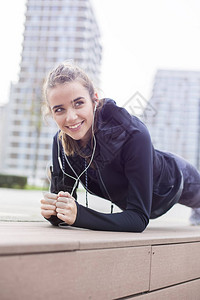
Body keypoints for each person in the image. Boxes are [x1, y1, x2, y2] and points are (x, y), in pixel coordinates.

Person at [40, 62, 200, 232]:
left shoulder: (134, 134)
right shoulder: (61, 143)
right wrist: (53, 213)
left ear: (94, 99)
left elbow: (138, 219)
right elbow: (65, 211)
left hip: (173, 180)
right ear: (51, 112)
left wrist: (80, 216)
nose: (71, 117)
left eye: (78, 103)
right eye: (59, 110)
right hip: (135, 200)